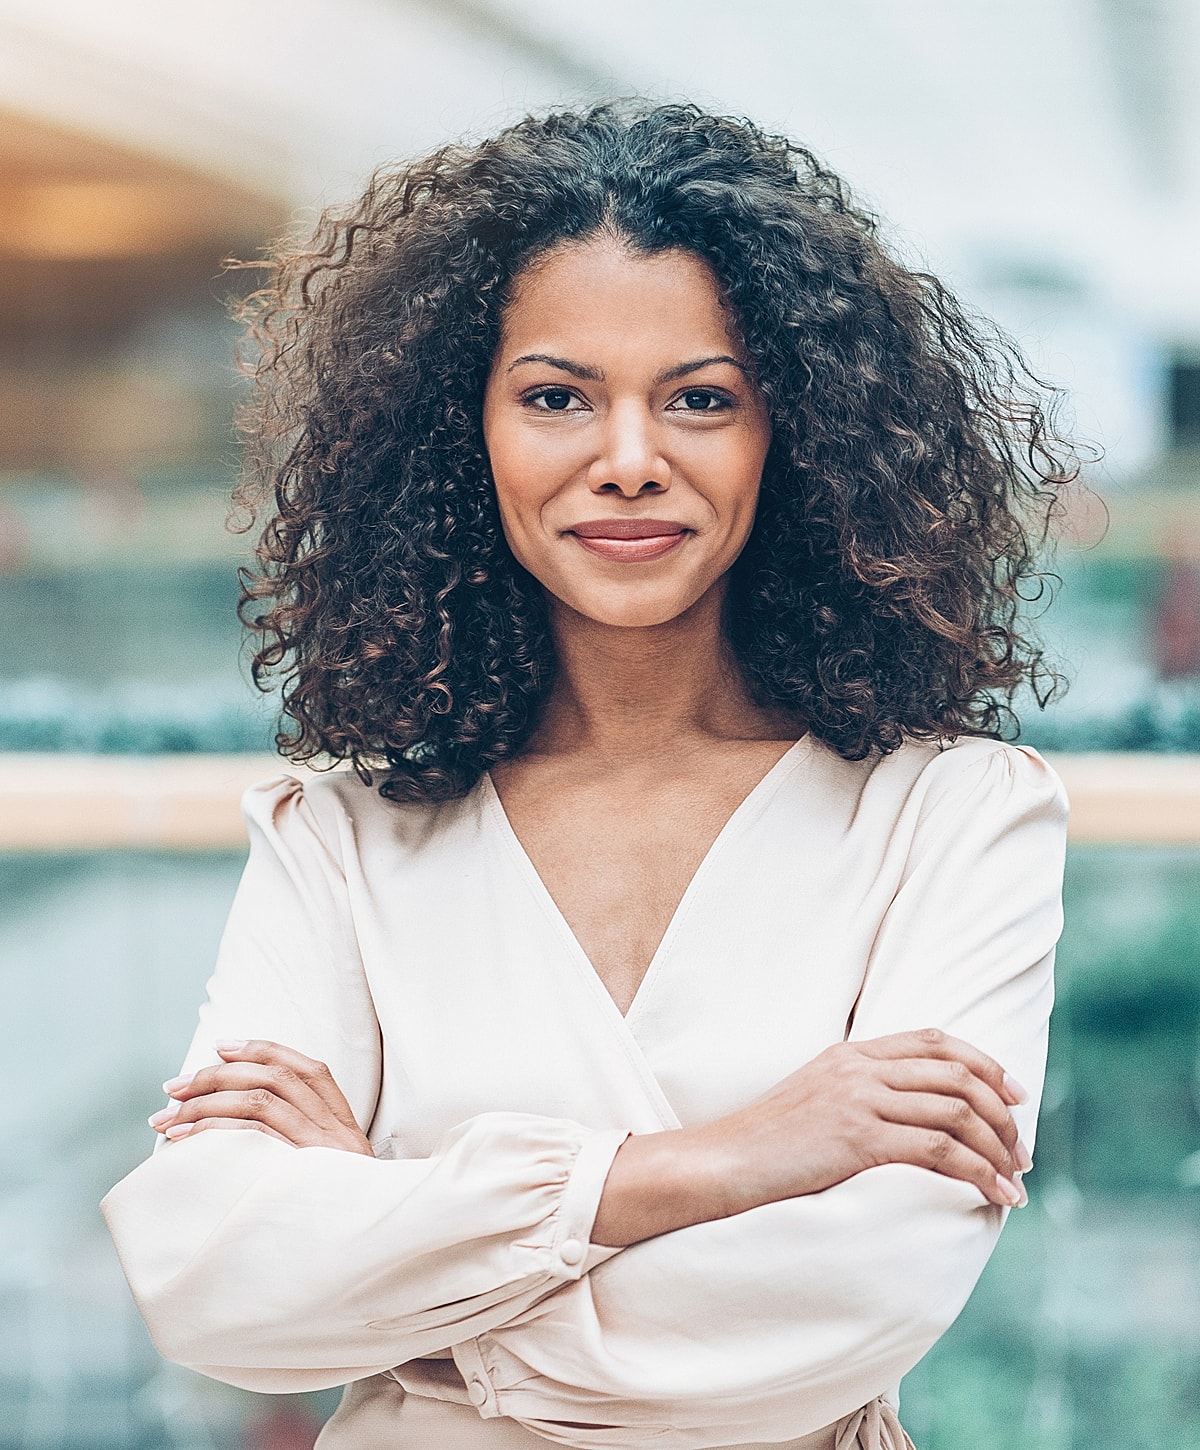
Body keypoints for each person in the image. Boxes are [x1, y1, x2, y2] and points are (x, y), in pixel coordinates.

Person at [102, 102, 1072, 1450]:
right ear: (466, 431)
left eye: (700, 398)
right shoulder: (344, 835)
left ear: (792, 435)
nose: (627, 460)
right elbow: (211, 1287)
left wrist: (386, 1219)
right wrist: (711, 1164)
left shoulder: (955, 815)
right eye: (557, 396)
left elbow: (853, 1295)